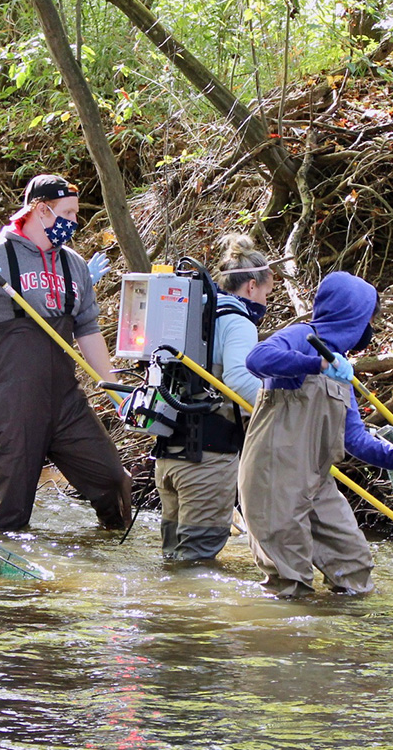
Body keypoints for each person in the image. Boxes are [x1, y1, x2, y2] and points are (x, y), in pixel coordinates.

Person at [0, 174, 132, 533]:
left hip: (64, 400)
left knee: (112, 479)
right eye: (68, 213)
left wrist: (113, 386)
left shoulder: (73, 264)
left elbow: (87, 329)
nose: (75, 222)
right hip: (10, 400)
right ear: (41, 211)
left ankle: (108, 558)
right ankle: (8, 580)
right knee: (9, 512)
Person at [238, 271, 393, 597]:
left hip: (316, 482)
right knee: (291, 584)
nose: (370, 328)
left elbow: (356, 440)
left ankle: (343, 641)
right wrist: (316, 364)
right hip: (274, 479)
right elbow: (256, 359)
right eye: (368, 318)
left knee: (355, 568)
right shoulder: (301, 337)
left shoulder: (343, 369)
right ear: (352, 315)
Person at [152, 234, 274, 561]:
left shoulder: (196, 312)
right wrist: (275, 408)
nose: (264, 300)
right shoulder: (238, 321)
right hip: (207, 457)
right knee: (197, 563)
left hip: (169, 455)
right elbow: (237, 377)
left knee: (174, 557)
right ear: (251, 286)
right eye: (266, 292)